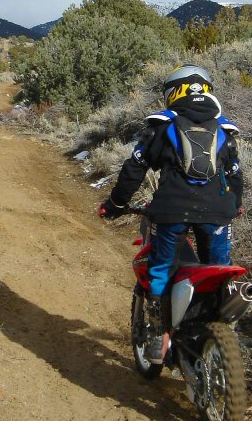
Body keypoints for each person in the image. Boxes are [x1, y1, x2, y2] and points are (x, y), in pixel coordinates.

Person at [99, 64, 243, 364]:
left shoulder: (162, 125)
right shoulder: (225, 129)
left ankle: (159, 339)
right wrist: (234, 204)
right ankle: (222, 339)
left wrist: (115, 203)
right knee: (218, 274)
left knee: (160, 271)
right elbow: (236, 176)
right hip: (218, 214)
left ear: (172, 92)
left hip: (171, 211)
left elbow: (134, 169)